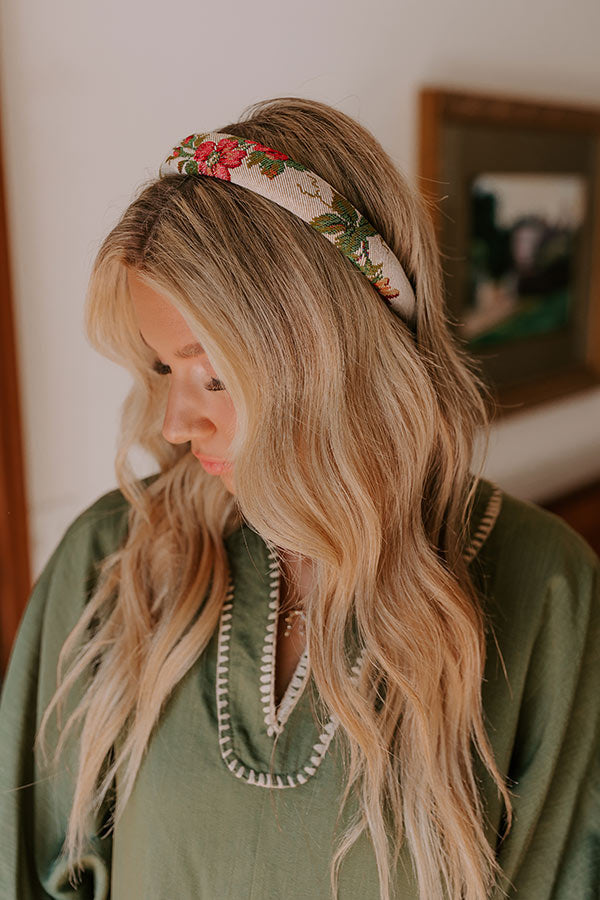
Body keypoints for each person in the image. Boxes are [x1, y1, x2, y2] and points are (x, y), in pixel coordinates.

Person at [0, 96, 598, 900]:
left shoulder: (546, 588)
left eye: (215, 373)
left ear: (331, 354)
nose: (175, 423)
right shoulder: (111, 559)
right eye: (164, 367)